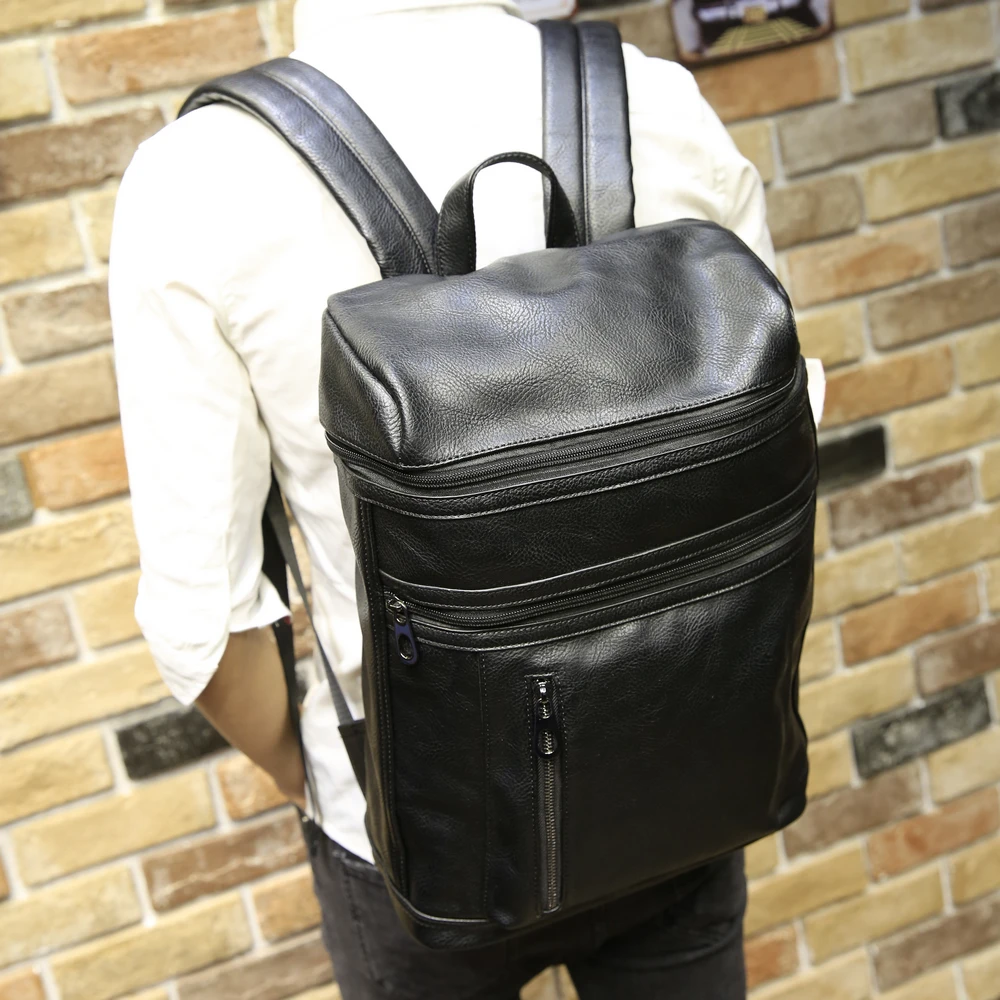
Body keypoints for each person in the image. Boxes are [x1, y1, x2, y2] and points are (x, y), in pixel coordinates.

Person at [110, 0, 815, 995]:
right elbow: (784, 447)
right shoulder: (657, 99)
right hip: (679, 772)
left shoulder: (201, 176)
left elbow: (203, 626)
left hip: (419, 847)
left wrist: (327, 779)